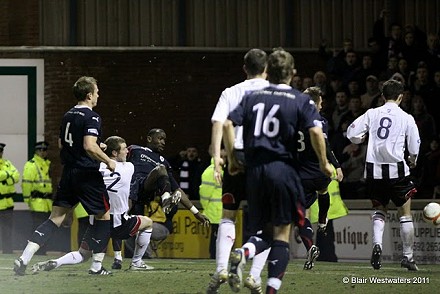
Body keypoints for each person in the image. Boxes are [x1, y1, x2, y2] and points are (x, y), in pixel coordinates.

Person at [224, 49, 332, 293]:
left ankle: (244, 252)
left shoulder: (252, 98)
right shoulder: (300, 99)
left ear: (267, 72)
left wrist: (232, 158)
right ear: (292, 74)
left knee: (265, 231)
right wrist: (325, 162)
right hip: (282, 170)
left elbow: (229, 123)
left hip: (254, 173)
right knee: (282, 234)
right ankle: (270, 288)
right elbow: (315, 132)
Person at [14, 76, 116, 276]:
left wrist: (94, 147)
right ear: (89, 95)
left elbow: (64, 144)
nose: (98, 95)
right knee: (104, 215)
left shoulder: (68, 114)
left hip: (68, 172)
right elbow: (88, 146)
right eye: (96, 92)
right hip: (86, 173)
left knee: (56, 217)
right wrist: (107, 160)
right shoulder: (92, 116)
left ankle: (24, 258)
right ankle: (96, 266)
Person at [32, 136, 155, 273]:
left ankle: (57, 262)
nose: (127, 151)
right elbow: (138, 158)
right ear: (114, 153)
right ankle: (136, 262)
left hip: (96, 221)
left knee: (83, 254)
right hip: (118, 222)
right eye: (124, 148)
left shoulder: (94, 168)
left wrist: (100, 149)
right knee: (148, 223)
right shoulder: (129, 167)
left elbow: (90, 157)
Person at [207, 48, 271, 294]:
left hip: (236, 157)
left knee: (228, 215)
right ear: (266, 69)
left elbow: (218, 123)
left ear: (244, 69)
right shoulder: (274, 92)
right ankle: (253, 276)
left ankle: (221, 268)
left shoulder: (230, 92)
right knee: (266, 221)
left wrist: (216, 158)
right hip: (264, 160)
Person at [346, 79, 420, 271]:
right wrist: (413, 159)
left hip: (374, 172)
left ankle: (377, 245)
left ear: (382, 96)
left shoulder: (372, 113)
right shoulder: (406, 117)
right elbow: (414, 145)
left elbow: (351, 133)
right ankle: (408, 257)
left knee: (380, 210)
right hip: (397, 171)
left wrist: (360, 138)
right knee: (405, 215)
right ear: (401, 97)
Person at [113, 128, 209, 266]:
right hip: (130, 190)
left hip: (146, 188)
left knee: (161, 169)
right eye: (160, 138)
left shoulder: (163, 161)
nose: (163, 142)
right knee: (118, 219)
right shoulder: (135, 149)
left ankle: (166, 200)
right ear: (149, 138)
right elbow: (117, 155)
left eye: (164, 139)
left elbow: (178, 189)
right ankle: (118, 258)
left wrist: (196, 212)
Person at [296, 87, 343, 270]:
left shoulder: (294, 121)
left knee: (300, 213)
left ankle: (310, 246)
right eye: (321, 102)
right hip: (321, 172)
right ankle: (323, 219)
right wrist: (337, 165)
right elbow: (326, 145)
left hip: (301, 175)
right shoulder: (321, 121)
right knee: (323, 191)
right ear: (315, 103)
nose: (322, 105)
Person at [22, 141, 53, 255]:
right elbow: (27, 183)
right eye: (42, 150)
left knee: (45, 228)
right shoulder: (32, 164)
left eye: (45, 150)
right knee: (37, 227)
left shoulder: (47, 164)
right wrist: (27, 199)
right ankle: (35, 251)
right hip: (37, 202)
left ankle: (42, 250)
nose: (44, 152)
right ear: (38, 151)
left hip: (47, 202)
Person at [199, 148, 225, 259]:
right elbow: (205, 193)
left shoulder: (221, 170)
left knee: (220, 237)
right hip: (215, 211)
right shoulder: (211, 172)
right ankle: (214, 258)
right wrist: (206, 209)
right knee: (217, 238)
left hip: (221, 211)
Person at [0, 143, 20, 254]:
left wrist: (4, 176)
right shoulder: (8, 167)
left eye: (1, 151)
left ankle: (7, 251)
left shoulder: (7, 163)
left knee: (7, 230)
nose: (0, 153)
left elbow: (16, 176)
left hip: (7, 203)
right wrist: (8, 175)